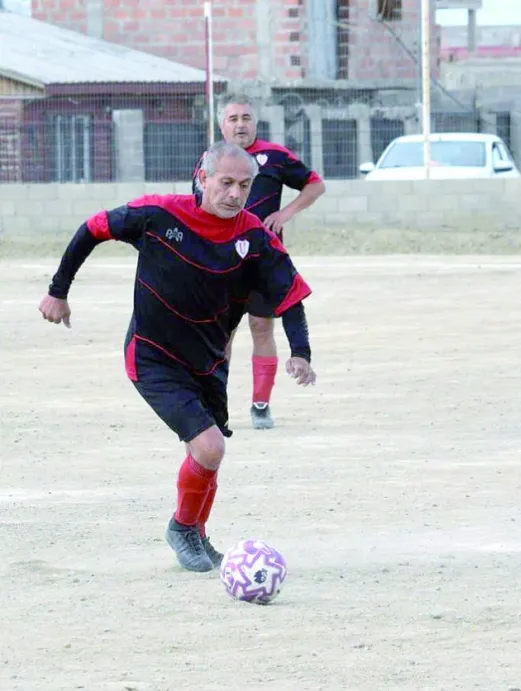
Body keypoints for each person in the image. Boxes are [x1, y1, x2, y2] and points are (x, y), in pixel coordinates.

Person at [39, 142, 318, 573]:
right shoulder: (158, 214)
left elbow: (290, 295)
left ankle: (197, 531)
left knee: (211, 453)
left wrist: (301, 351)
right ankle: (183, 529)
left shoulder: (255, 238)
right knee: (209, 446)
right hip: (153, 356)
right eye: (225, 183)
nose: (234, 194)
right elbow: (93, 228)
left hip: (208, 362)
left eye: (244, 186)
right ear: (202, 178)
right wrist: (58, 290)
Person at [194, 95, 326, 431]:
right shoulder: (209, 161)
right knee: (221, 335)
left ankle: (260, 404)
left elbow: (315, 184)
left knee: (261, 326)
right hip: (221, 262)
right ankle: (213, 404)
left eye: (246, 117)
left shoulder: (276, 157)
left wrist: (286, 213)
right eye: (233, 118)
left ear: (255, 122)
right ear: (221, 124)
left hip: (261, 262)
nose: (240, 124)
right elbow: (196, 208)